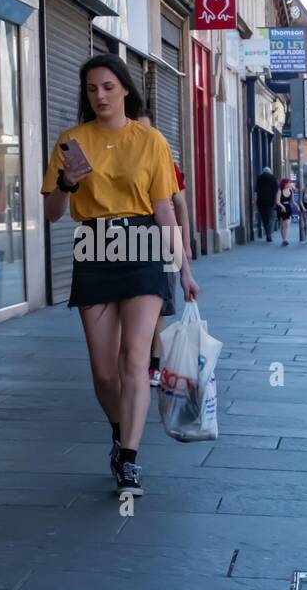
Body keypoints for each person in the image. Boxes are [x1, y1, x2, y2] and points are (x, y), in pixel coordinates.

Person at [42, 54, 199, 497]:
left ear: (125, 89)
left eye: (108, 87)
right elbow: (53, 213)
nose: (100, 96)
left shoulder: (151, 141)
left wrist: (184, 268)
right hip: (93, 246)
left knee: (134, 358)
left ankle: (129, 459)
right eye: (92, 89)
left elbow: (164, 209)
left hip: (143, 246)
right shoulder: (71, 140)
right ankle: (119, 432)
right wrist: (68, 184)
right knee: (103, 372)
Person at [145, 112, 190, 389]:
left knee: (159, 308)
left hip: (161, 241)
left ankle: (153, 365)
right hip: (129, 242)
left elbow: (180, 205)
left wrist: (184, 246)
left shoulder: (164, 161)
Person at [255, 166, 278, 242]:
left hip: (261, 202)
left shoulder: (259, 178)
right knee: (271, 219)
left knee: (264, 219)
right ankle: (269, 234)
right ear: (270, 172)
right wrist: (276, 201)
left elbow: (256, 191)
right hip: (271, 202)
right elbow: (276, 191)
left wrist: (255, 200)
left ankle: (267, 233)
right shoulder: (273, 179)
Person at [275, 177, 295, 246]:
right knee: (282, 225)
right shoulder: (280, 190)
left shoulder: (291, 191)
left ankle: (285, 239)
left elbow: (292, 201)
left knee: (286, 224)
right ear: (285, 183)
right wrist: (282, 206)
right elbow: (277, 201)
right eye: (289, 182)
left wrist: (297, 206)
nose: (290, 184)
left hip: (288, 208)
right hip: (281, 208)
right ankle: (283, 239)